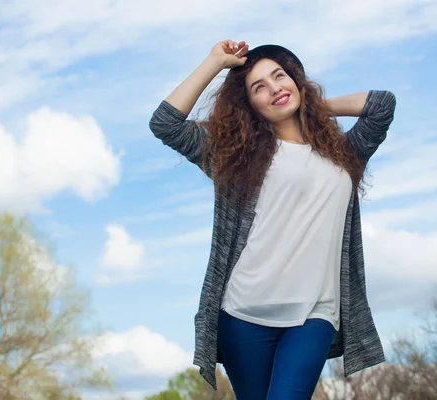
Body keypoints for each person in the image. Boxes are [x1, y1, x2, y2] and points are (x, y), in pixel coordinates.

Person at [149, 39, 396, 399]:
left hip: (316, 312)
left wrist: (311, 107)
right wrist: (215, 61)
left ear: (296, 80)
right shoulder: (235, 157)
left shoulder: (345, 154)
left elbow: (381, 105)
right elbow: (165, 123)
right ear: (249, 104)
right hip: (244, 312)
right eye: (259, 88)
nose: (274, 88)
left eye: (279, 77)